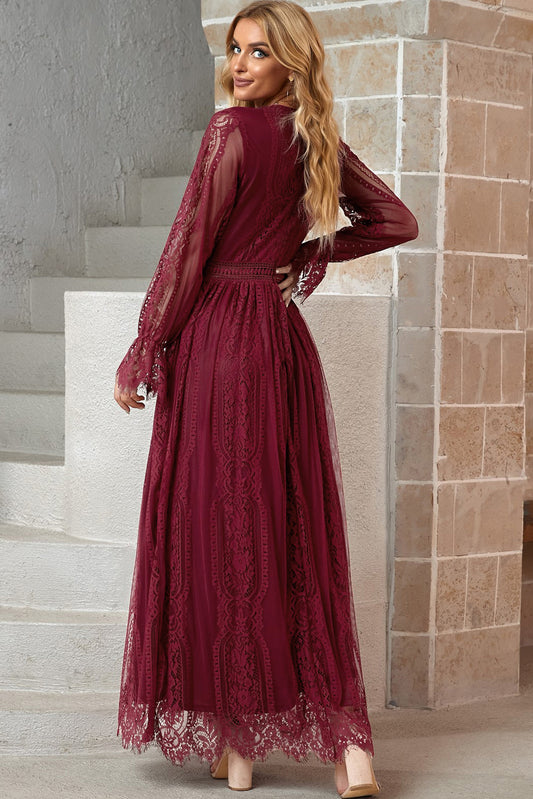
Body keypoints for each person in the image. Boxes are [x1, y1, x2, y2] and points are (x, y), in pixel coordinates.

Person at [114, 1, 418, 795]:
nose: (240, 65)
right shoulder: (313, 137)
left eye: (257, 52)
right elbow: (396, 219)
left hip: (219, 343)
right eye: (235, 49)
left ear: (289, 61)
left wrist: (145, 343)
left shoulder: (230, 132)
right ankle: (343, 750)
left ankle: (238, 741)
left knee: (219, 534)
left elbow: (189, 245)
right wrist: (311, 252)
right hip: (280, 346)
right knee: (291, 534)